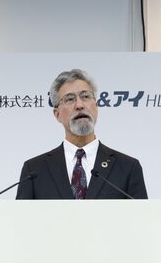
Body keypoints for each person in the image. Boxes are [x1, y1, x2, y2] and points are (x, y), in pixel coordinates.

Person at [16, 69, 148, 200]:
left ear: (96, 106)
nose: (79, 105)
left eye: (85, 97)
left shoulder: (128, 167)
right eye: (70, 99)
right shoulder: (34, 170)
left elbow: (142, 214)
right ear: (57, 114)